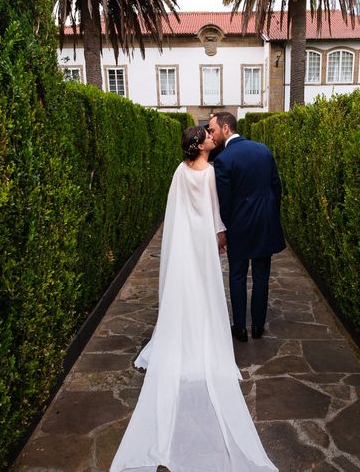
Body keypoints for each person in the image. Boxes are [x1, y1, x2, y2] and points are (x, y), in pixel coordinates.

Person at [111, 126, 277, 472]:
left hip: (186, 240)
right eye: (206, 136)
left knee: (184, 289)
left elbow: (174, 212)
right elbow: (216, 212)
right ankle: (204, 335)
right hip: (202, 240)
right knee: (206, 288)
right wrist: (220, 236)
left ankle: (181, 334)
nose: (211, 138)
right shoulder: (211, 172)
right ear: (199, 144)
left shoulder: (179, 170)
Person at [207, 112, 285, 342]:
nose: (211, 134)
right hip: (265, 223)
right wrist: (269, 213)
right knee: (262, 276)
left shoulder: (224, 159)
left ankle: (240, 328)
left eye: (212, 129)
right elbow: (276, 187)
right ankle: (258, 327)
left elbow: (225, 201)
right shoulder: (263, 150)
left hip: (239, 227)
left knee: (238, 276)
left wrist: (226, 228)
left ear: (226, 128)